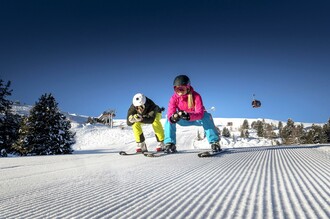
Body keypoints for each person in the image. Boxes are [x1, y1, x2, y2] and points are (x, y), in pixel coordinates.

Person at [164, 75, 221, 153]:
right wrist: (173, 117)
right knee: (168, 119)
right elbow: (170, 112)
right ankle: (170, 144)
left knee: (207, 116)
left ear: (188, 87)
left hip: (197, 119)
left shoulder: (196, 96)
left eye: (182, 88)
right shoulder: (174, 98)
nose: (179, 91)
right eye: (177, 89)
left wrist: (188, 116)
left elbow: (200, 114)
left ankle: (215, 142)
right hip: (183, 120)